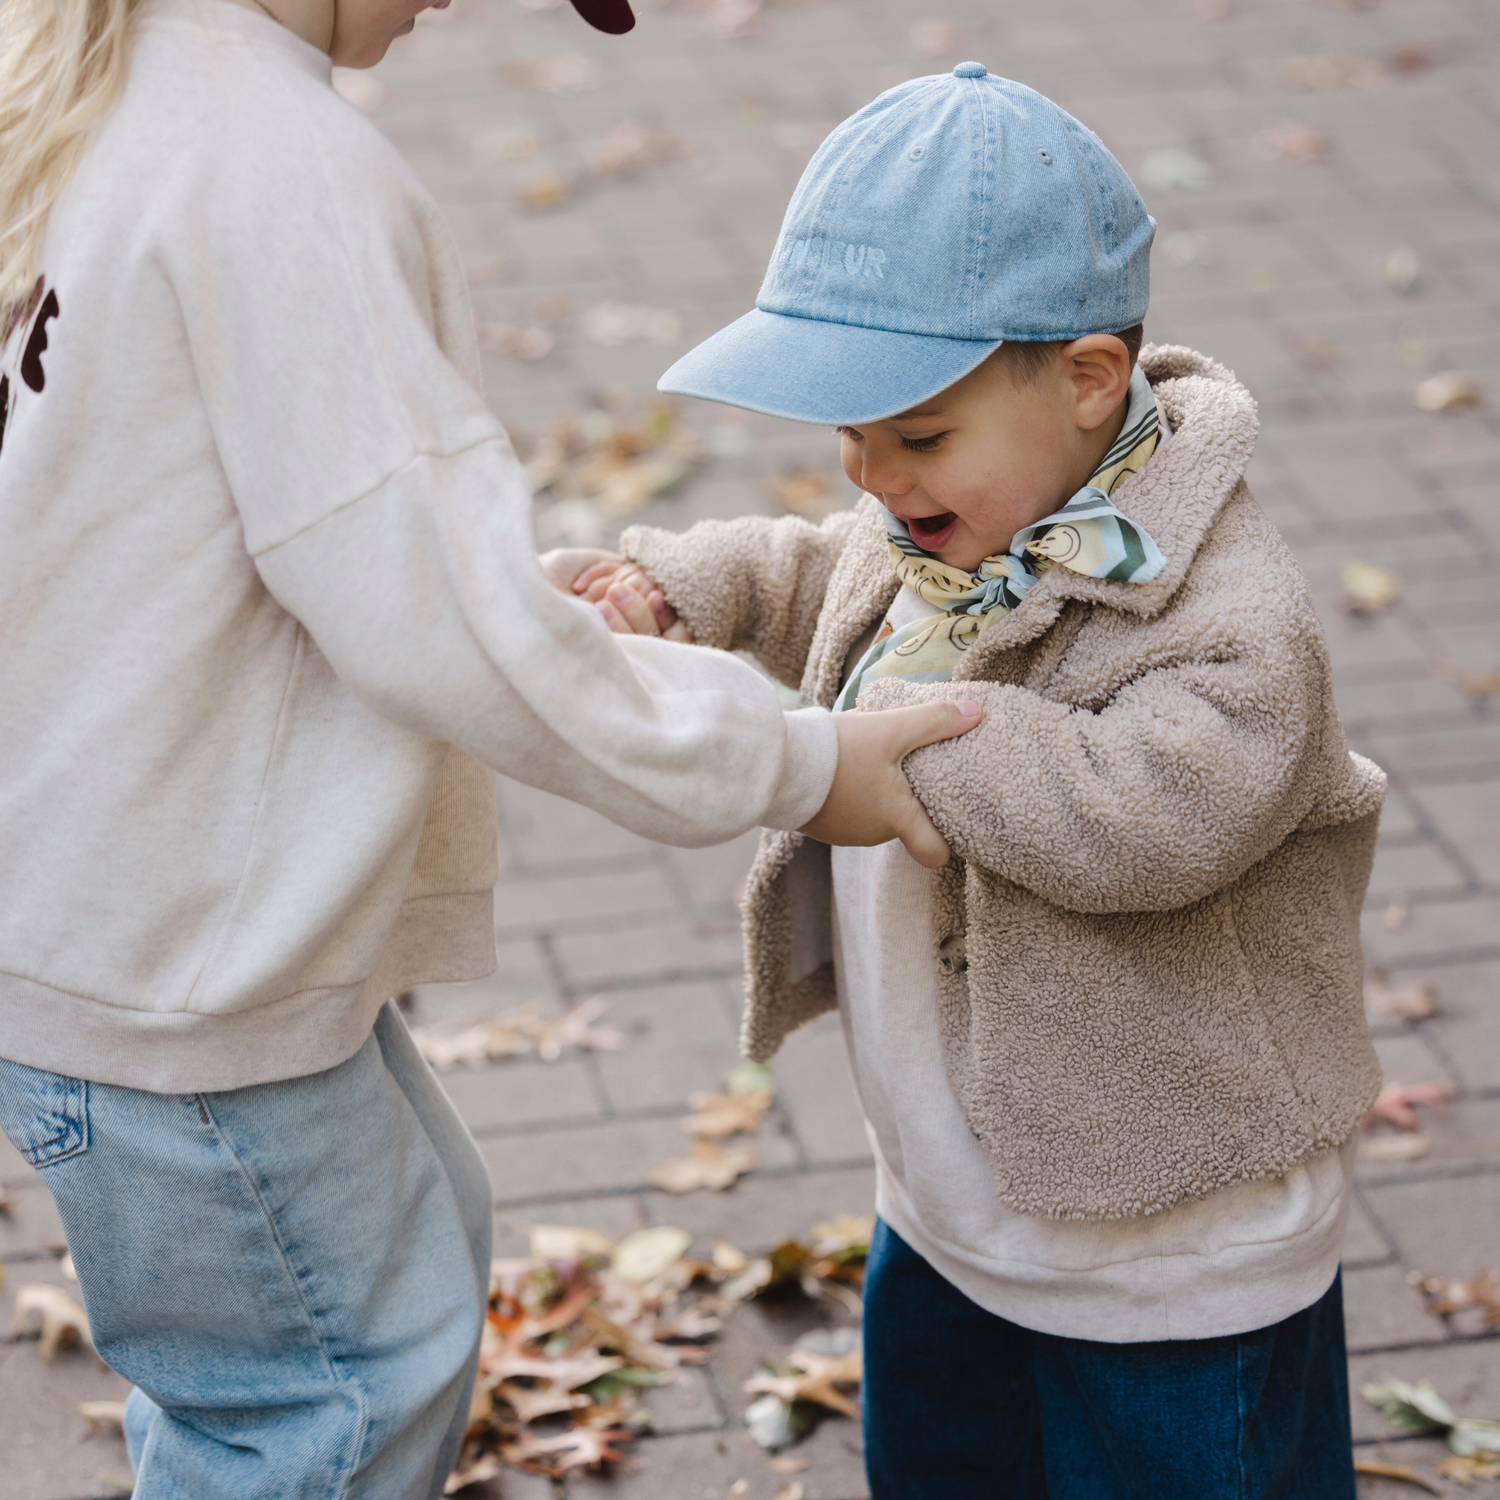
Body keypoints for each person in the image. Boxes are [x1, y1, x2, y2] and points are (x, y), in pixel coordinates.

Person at [0, 0, 982, 1493]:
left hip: (108, 923)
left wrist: (516, 611)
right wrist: (797, 763)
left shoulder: (105, 85)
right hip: (183, 971)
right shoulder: (286, 177)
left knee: (369, 1286)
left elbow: (234, 543)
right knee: (327, 1399)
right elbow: (427, 617)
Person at [569, 65, 1386, 1499]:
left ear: (1087, 380)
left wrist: (882, 750)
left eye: (915, 434)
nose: (870, 477)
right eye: (850, 437)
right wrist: (682, 587)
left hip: (1167, 1255)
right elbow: (828, 567)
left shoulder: (1236, 622)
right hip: (956, 1205)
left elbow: (1147, 817)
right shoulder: (960, 511)